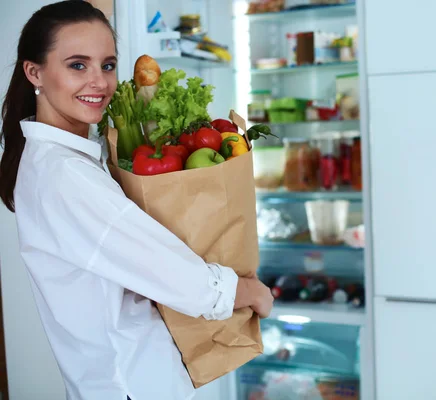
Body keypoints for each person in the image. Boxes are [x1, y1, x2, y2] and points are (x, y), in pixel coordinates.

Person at [0, 2, 273, 400]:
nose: (98, 82)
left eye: (107, 65)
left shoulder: (62, 160)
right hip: (131, 383)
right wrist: (251, 293)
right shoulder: (64, 175)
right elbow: (179, 278)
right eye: (78, 65)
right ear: (35, 72)